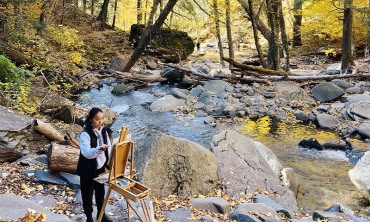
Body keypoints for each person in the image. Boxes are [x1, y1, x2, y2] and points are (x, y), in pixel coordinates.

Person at [77, 107, 113, 222]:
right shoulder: (85, 134)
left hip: (100, 168)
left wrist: (112, 160)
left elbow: (110, 146)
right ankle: (89, 218)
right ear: (91, 119)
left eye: (102, 119)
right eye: (97, 119)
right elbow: (86, 152)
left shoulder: (103, 131)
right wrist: (98, 149)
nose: (100, 121)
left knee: (100, 192)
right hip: (87, 169)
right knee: (87, 194)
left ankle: (101, 214)